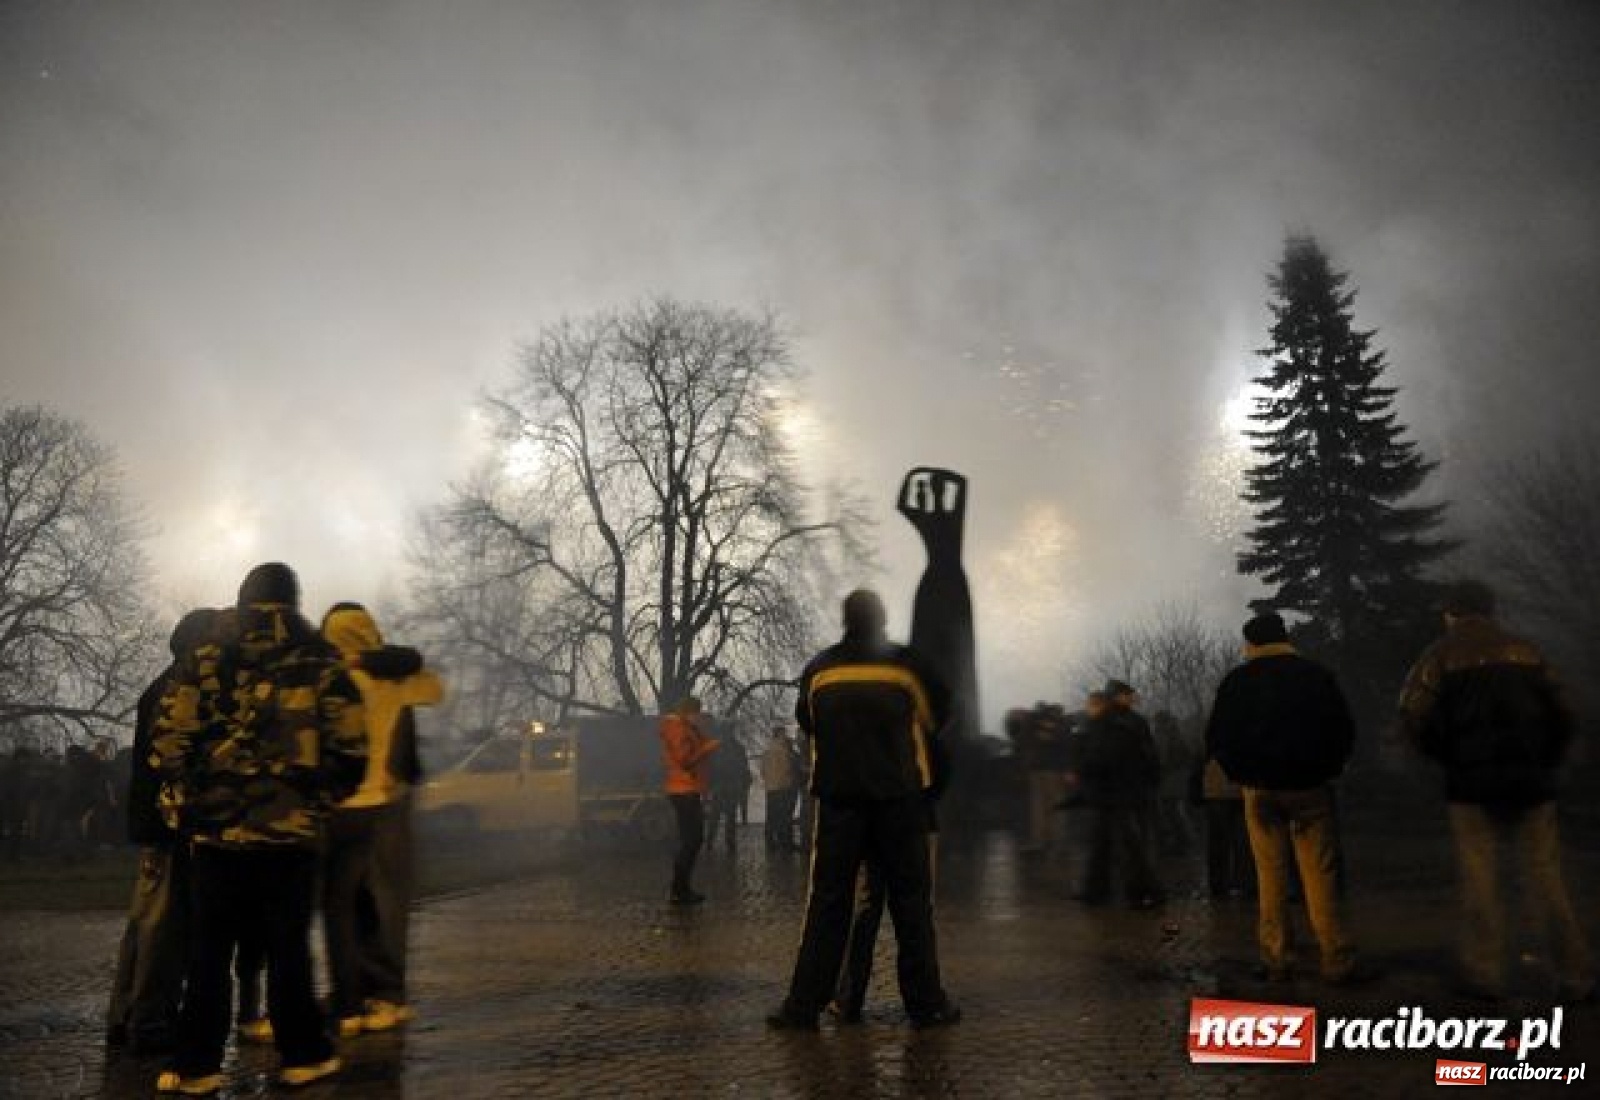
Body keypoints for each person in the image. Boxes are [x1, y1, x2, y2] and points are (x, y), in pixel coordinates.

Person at [153, 562, 367, 1095]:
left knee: (208, 954)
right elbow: (352, 753)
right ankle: (302, 1054)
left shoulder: (204, 659)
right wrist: (316, 798)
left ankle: (197, 1065)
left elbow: (167, 745)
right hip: (288, 835)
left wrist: (193, 800)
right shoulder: (321, 662)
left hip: (215, 836)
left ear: (243, 598)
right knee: (289, 949)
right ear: (294, 600)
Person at [767, 589, 960, 1030]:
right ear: (882, 618)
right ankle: (925, 1003)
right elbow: (937, 717)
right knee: (911, 904)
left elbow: (806, 721)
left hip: (839, 803)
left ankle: (804, 1004)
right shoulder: (906, 665)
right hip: (898, 801)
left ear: (845, 620)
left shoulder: (819, 669)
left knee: (828, 903)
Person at [1399, 580, 1594, 1002]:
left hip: (1470, 783)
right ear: (1490, 610)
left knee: (1479, 878)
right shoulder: (1527, 650)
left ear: (1451, 612)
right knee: (1546, 876)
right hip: (1532, 781)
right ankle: (1574, 973)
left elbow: (1412, 714)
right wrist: (1548, 759)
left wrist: (1443, 755)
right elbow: (1566, 712)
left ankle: (1485, 972)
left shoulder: (1439, 655)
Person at [1206, 611, 1357, 983]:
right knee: (1319, 872)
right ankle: (1335, 957)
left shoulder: (1237, 681)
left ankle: (1276, 957)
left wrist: (1240, 773)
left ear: (1250, 643)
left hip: (1259, 789)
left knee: (1269, 873)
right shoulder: (1315, 675)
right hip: (1309, 785)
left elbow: (1217, 737)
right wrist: (1330, 766)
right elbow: (1342, 728)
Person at [320, 603, 445, 1037]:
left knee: (347, 907)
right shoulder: (393, 679)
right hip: (390, 800)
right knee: (388, 903)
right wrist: (386, 661)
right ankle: (387, 995)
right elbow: (435, 689)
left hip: (344, 806)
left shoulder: (329, 681)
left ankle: (352, 998)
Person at [107, 609, 227, 1055]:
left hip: (158, 827)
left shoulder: (164, 685)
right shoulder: (179, 689)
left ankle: (128, 1017)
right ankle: (149, 1021)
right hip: (169, 827)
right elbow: (170, 765)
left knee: (146, 926)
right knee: (161, 930)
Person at [1075, 682, 1163, 908]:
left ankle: (1113, 890)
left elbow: (1100, 759)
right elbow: (1145, 757)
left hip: (1116, 792)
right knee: (1119, 844)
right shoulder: (1125, 723)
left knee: (1121, 844)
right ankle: (1132, 890)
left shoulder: (1107, 725)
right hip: (1122, 792)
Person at [660, 697, 719, 904]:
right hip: (684, 789)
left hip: (687, 789)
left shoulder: (685, 727)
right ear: (689, 711)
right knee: (691, 840)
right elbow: (684, 760)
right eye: (698, 712)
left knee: (692, 840)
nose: (700, 716)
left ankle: (681, 888)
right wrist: (707, 748)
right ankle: (679, 889)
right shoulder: (677, 728)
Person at [705, 728, 752, 853]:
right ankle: (730, 844)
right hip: (732, 787)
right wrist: (744, 785)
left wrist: (709, 785)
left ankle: (710, 842)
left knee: (714, 818)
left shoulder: (715, 748)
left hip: (719, 788)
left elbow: (709, 769)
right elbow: (744, 769)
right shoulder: (739, 748)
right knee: (730, 818)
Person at [762, 727, 799, 852]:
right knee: (783, 816)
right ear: (779, 734)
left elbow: (763, 770)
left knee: (771, 815)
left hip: (770, 787)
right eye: (784, 733)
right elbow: (787, 768)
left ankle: (770, 842)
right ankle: (784, 843)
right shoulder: (783, 750)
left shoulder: (767, 750)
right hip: (782, 787)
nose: (785, 736)